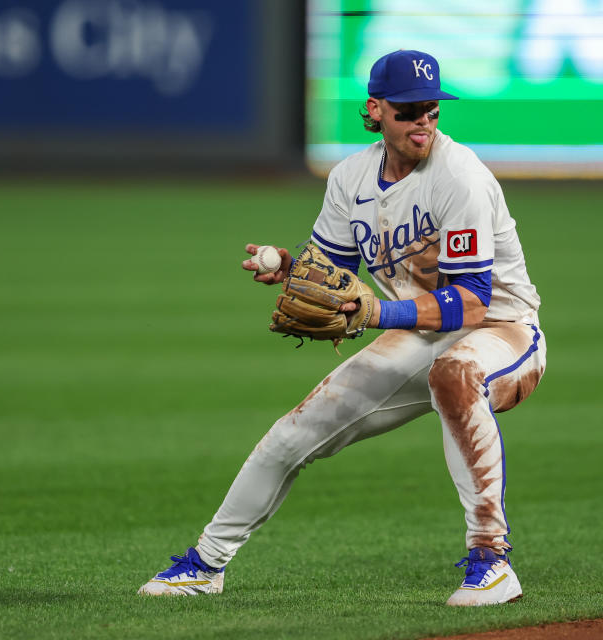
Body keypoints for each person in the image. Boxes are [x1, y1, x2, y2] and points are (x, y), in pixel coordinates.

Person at [138, 49, 545, 606]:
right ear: (376, 110)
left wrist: (377, 314)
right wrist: (289, 269)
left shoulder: (461, 179)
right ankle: (205, 565)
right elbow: (331, 275)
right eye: (409, 110)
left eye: (432, 108)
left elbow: (472, 302)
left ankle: (492, 564)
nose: (424, 120)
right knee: (294, 432)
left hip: (504, 330)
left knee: (455, 373)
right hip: (419, 330)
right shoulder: (350, 178)